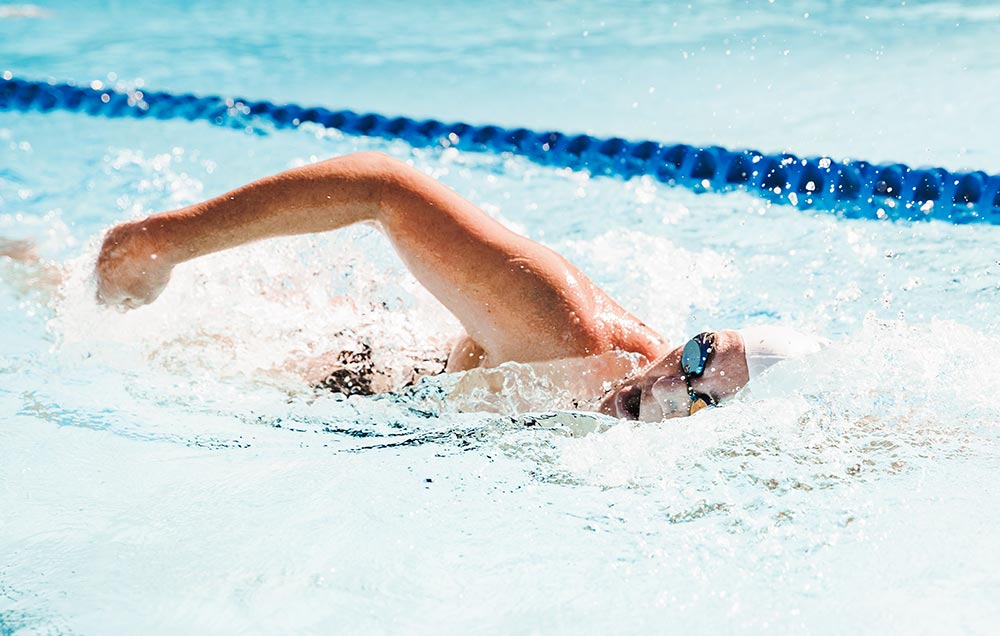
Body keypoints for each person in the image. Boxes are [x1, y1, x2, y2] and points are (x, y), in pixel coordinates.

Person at [94, 152, 826, 421]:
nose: (672, 380)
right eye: (698, 350)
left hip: (413, 388)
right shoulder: (568, 333)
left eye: (702, 394)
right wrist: (164, 243)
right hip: (334, 378)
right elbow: (385, 187)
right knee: (97, 316)